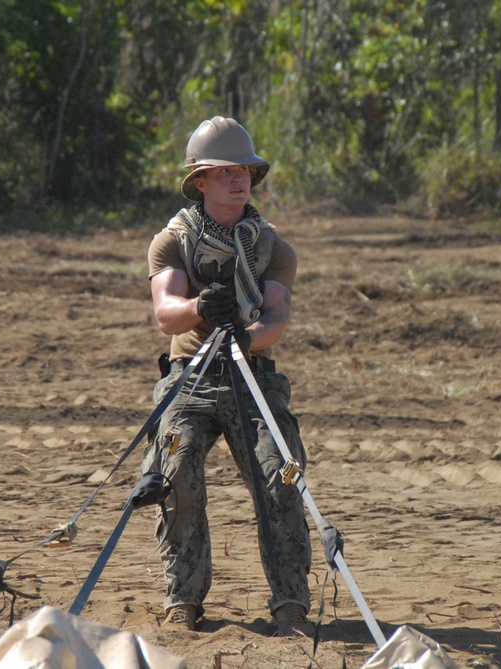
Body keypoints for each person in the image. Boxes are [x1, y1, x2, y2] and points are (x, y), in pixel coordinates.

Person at [143, 116, 314, 637]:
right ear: (200, 181)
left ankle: (290, 604)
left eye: (244, 170)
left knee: (280, 476)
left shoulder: (272, 248)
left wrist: (247, 334)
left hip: (252, 374)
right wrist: (201, 306)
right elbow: (166, 314)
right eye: (223, 172)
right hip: (190, 374)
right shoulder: (171, 242)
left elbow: (277, 319)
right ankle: (184, 598)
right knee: (175, 469)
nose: (238, 179)